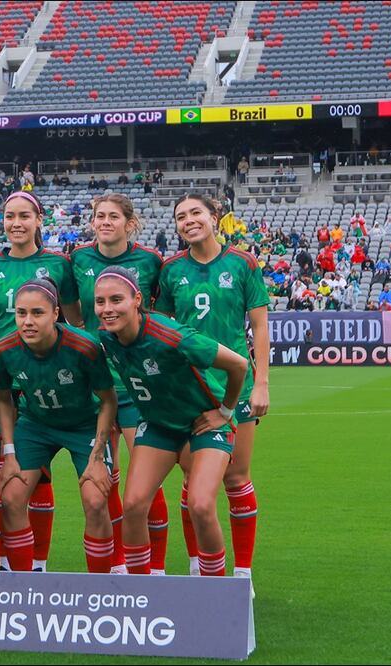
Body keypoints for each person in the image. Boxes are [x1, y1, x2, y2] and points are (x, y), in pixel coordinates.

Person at [95, 266, 248, 576]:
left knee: (202, 506)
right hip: (158, 425)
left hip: (201, 424)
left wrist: (226, 411)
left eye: (116, 300)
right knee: (135, 505)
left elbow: (239, 364)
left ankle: (214, 592)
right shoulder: (106, 339)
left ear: (136, 299)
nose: (107, 309)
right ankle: (141, 595)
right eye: (100, 302)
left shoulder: (173, 337)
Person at [157, 194, 270, 587]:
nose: (188, 221)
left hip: (237, 386)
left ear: (214, 217)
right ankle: (198, 567)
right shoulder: (171, 270)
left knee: (237, 478)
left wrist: (264, 385)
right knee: (193, 483)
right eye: (180, 216)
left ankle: (243, 573)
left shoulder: (243, 263)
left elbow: (259, 327)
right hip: (192, 391)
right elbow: (164, 331)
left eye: (195, 213)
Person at [0, 190, 83, 571]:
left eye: (24, 216)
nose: (16, 223)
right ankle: (8, 560)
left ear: (40, 220)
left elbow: (74, 323)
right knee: (7, 473)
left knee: (39, 472)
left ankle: (36, 562)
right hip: (0, 379)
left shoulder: (58, 263)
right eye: (8, 216)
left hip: (43, 379)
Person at [0, 278, 117, 573]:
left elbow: (108, 401)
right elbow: (4, 399)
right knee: (11, 496)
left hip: (83, 426)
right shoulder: (5, 350)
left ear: (56, 313)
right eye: (21, 313)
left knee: (96, 500)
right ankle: (25, 586)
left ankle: (102, 588)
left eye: (37, 313)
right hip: (36, 425)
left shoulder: (84, 347)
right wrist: (9, 453)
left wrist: (98, 456)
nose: (28, 321)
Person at [70, 193, 166, 574]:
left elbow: (157, 313)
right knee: (104, 477)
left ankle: (155, 568)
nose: (104, 221)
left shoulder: (150, 261)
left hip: (137, 384)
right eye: (98, 216)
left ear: (130, 223)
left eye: (113, 216)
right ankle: (118, 564)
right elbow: (74, 314)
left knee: (146, 478)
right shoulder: (77, 259)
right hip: (96, 384)